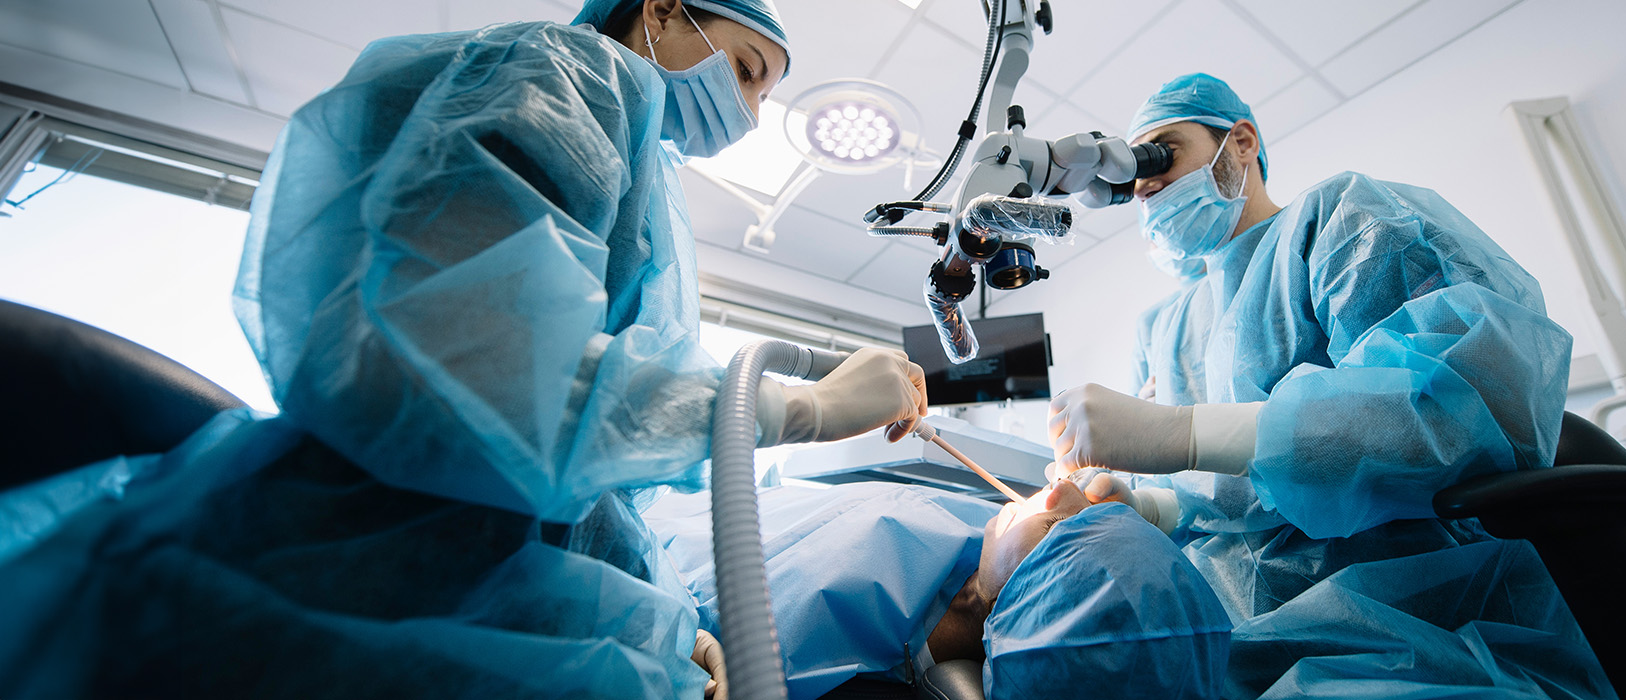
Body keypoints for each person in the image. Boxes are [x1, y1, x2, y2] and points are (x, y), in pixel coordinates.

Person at [0, 1, 931, 697]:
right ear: (659, 11)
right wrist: (797, 407)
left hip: (464, 594)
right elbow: (474, 372)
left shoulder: (646, 176)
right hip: (344, 589)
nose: (754, 110)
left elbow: (586, 481)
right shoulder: (566, 76)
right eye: (746, 68)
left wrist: (663, 620)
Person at [1046, 73, 1617, 698]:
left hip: (1418, 626)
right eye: (1132, 175)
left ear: (1239, 144)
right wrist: (1152, 507)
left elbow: (1460, 408)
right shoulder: (1166, 329)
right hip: (1235, 635)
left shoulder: (1344, 223)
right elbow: (1229, 500)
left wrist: (1184, 433)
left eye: (1161, 153)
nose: (1145, 181)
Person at [644, 478, 1232, 700]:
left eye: (1060, 527)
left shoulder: (793, 658)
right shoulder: (956, 529)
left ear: (1030, 612)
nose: (1055, 492)